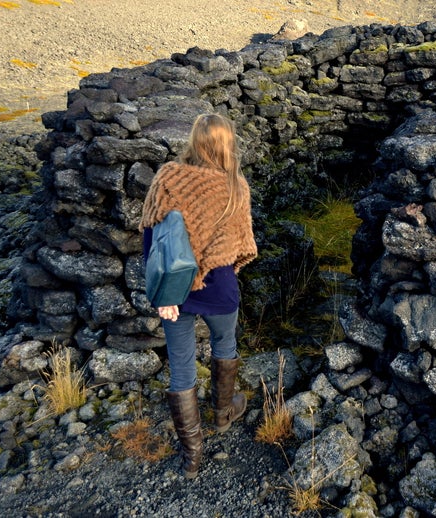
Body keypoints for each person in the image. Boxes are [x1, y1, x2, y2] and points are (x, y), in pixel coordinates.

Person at [139, 113, 258, 479]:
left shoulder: (168, 178)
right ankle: (223, 415)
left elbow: (151, 239)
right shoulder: (236, 185)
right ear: (227, 143)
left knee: (181, 364)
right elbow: (241, 244)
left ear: (194, 140)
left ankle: (192, 454)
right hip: (220, 289)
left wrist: (163, 294)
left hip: (175, 291)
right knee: (225, 342)